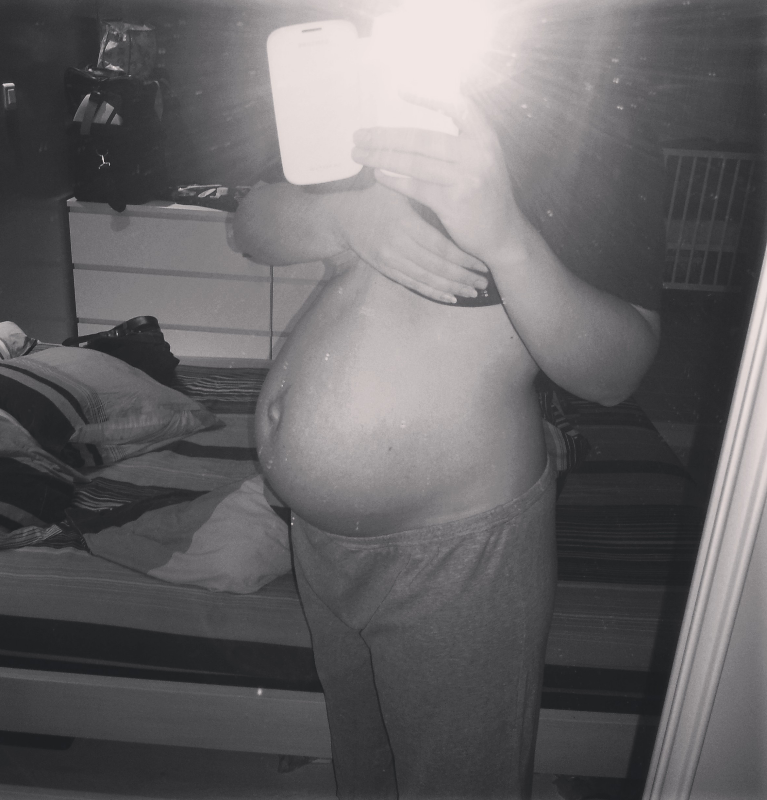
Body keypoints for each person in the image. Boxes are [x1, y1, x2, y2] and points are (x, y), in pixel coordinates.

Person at [232, 22, 664, 799]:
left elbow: (616, 372)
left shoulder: (591, 115)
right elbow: (253, 222)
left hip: (458, 553)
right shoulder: (366, 76)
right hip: (319, 543)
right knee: (368, 773)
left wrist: (507, 238)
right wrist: (346, 218)